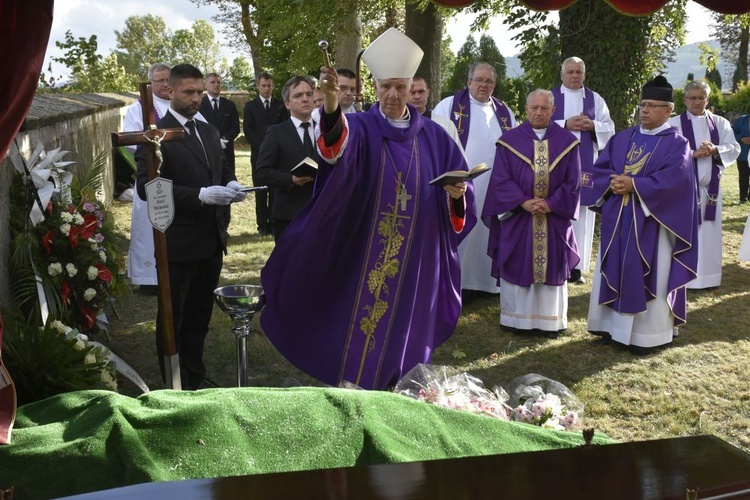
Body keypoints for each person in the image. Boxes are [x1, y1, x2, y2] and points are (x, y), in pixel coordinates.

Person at [260, 28, 477, 390]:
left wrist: (456, 193)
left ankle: (403, 384)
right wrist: (330, 105)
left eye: (400, 87)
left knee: (405, 330)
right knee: (358, 324)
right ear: (373, 88)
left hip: (415, 258)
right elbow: (333, 148)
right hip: (363, 250)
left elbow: (460, 191)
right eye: (385, 87)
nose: (392, 95)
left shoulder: (437, 137)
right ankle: (354, 385)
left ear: (412, 87)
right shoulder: (359, 127)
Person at [135, 64, 247, 389]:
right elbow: (147, 186)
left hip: (211, 241)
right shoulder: (156, 134)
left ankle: (194, 377)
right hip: (178, 243)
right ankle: (173, 382)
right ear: (170, 91)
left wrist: (232, 183)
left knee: (200, 319)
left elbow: (222, 167)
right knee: (174, 320)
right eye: (189, 92)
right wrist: (199, 195)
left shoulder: (209, 130)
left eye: (199, 92)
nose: (196, 98)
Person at [587, 76, 698, 354]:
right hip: (618, 221)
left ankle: (649, 336)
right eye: (643, 104)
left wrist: (635, 184)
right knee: (613, 269)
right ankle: (611, 328)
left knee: (654, 276)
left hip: (654, 224)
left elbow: (677, 182)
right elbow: (601, 170)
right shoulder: (623, 137)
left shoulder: (677, 144)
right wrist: (612, 183)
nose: (644, 110)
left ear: (668, 110)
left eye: (652, 105)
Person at [483, 89, 581, 335]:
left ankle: (550, 321)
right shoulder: (509, 141)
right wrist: (522, 201)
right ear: (525, 110)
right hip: (519, 218)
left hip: (553, 219)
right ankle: (516, 319)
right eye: (534, 108)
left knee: (552, 263)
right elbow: (500, 179)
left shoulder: (568, 143)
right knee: (518, 259)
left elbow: (573, 182)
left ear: (553, 111)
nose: (538, 112)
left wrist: (551, 204)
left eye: (544, 108)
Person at [433, 62, 517, 296]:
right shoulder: (449, 105)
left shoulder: (505, 112)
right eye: (479, 80)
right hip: (460, 184)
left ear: (494, 85)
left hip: (495, 185)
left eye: (488, 81)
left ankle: (486, 284)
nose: (483, 85)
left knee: (487, 232)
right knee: (463, 229)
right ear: (469, 81)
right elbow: (437, 139)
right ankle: (457, 282)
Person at [668, 80, 739, 290]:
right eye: (692, 98)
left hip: (711, 190)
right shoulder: (674, 124)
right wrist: (692, 154)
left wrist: (716, 149)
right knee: (686, 234)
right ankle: (684, 277)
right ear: (685, 100)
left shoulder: (720, 123)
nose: (697, 102)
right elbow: (667, 154)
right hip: (684, 191)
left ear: (707, 99)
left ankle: (708, 277)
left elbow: (734, 148)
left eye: (701, 98)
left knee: (709, 236)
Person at [552, 57, 616, 284]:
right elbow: (536, 124)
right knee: (557, 208)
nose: (574, 76)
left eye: (578, 72)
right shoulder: (550, 98)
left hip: (585, 165)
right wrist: (565, 124)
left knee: (582, 214)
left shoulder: (595, 100)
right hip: (555, 165)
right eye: (570, 71)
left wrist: (593, 126)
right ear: (562, 75)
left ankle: (577, 266)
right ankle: (556, 260)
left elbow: (610, 128)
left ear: (584, 75)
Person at [123, 63, 172, 293]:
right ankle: (149, 278)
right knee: (147, 226)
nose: (164, 84)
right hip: (150, 173)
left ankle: (173, 271)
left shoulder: (179, 104)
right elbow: (132, 140)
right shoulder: (138, 108)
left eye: (167, 80)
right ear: (150, 83)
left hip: (176, 175)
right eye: (159, 80)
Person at [255, 76, 318, 241]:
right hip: (289, 213)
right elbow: (262, 171)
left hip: (322, 210)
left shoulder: (325, 130)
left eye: (309, 94)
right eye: (298, 96)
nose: (305, 98)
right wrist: (290, 179)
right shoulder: (276, 133)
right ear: (287, 103)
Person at [243, 72, 288, 235]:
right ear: (258, 87)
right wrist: (263, 147)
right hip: (258, 154)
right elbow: (248, 129)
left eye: (269, 85)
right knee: (260, 190)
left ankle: (274, 222)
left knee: (275, 190)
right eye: (263, 85)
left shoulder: (280, 105)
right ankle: (262, 225)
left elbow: (284, 126)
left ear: (273, 86)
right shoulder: (250, 106)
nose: (267, 89)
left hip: (278, 155)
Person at [200, 72, 240, 173]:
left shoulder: (229, 105)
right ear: (205, 85)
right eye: (212, 82)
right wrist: (212, 141)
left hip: (227, 150)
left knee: (229, 179)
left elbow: (235, 127)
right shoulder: (199, 105)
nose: (216, 84)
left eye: (218, 82)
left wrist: (224, 139)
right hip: (206, 150)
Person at [731, 104, 750, 203]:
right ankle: (743, 197)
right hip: (743, 154)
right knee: (743, 176)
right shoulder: (742, 120)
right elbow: (732, 132)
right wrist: (741, 138)